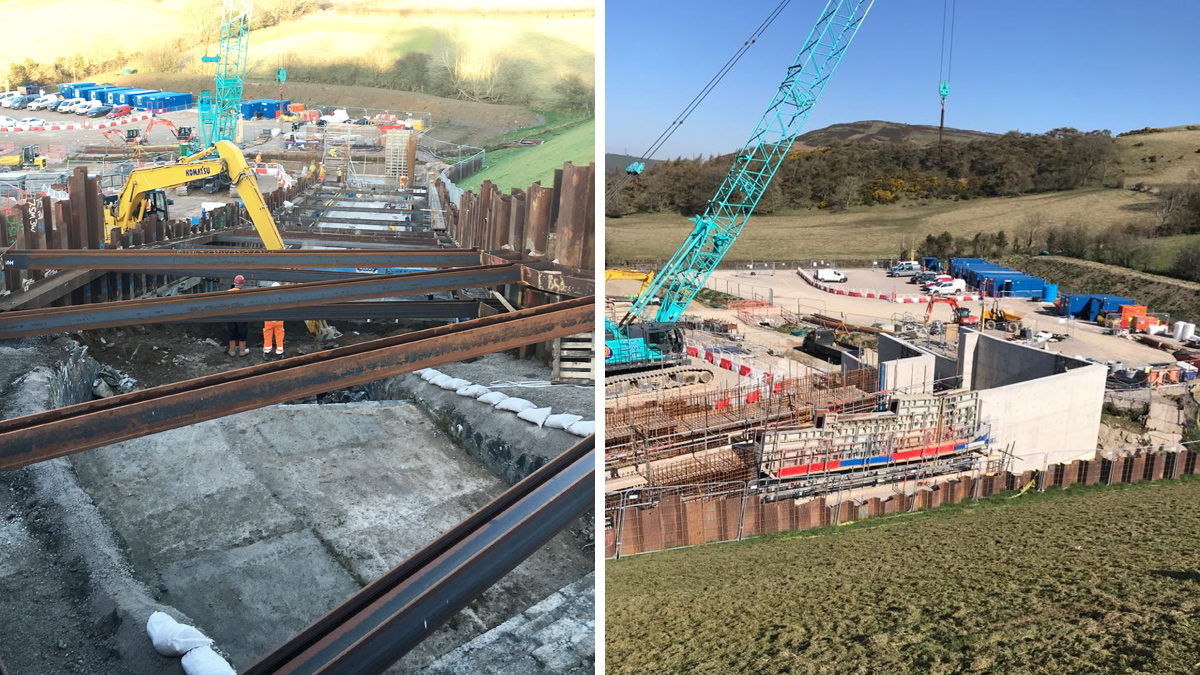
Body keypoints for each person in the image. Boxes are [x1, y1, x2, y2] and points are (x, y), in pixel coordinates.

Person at [226, 275, 250, 357]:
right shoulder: (244, 294)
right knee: (242, 333)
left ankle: (232, 351)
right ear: (242, 284)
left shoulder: (228, 292)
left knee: (232, 333)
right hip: (241, 317)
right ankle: (242, 351)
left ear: (234, 283)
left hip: (230, 316)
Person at [262, 282, 285, 360]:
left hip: (269, 320)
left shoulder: (268, 297)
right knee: (279, 336)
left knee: (267, 336)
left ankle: (267, 353)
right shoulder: (281, 298)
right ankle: (279, 353)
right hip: (279, 321)